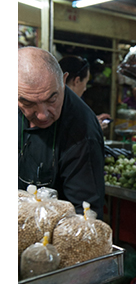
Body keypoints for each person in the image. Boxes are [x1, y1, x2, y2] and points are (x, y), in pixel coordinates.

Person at [18, 46, 105, 218]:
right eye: (29, 104)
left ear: (64, 81)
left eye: (52, 99)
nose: (42, 115)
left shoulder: (82, 132)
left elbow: (85, 213)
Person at [59, 55, 112, 130]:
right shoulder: (65, 105)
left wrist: (93, 121)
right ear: (77, 81)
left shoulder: (54, 100)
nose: (85, 88)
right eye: (85, 83)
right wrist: (92, 128)